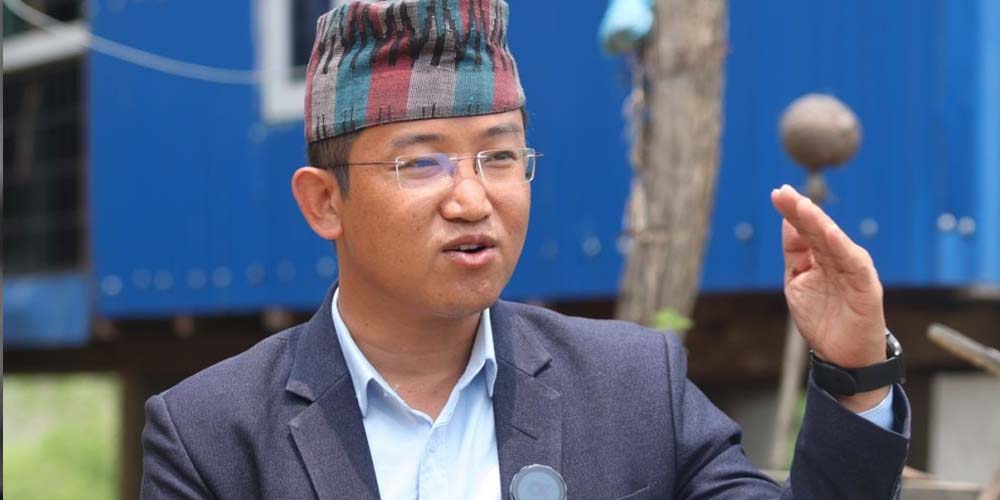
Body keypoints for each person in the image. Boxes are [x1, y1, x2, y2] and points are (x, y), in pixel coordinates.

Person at [140, 1, 909, 499]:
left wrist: (856, 376)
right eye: (422, 162)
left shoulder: (634, 388)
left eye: (501, 156)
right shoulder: (212, 436)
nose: (472, 199)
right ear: (324, 202)